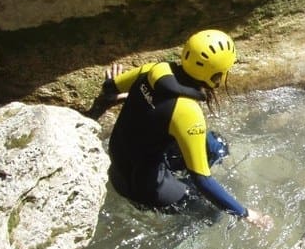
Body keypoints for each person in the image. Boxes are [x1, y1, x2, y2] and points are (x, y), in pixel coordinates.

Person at [95, 28, 273, 230]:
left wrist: (128, 97)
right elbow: (203, 181)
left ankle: (178, 181)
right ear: (215, 76)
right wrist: (246, 214)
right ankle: (173, 247)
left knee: (214, 147)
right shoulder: (187, 112)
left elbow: (111, 87)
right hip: (142, 189)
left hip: (120, 162)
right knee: (212, 213)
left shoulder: (154, 70)